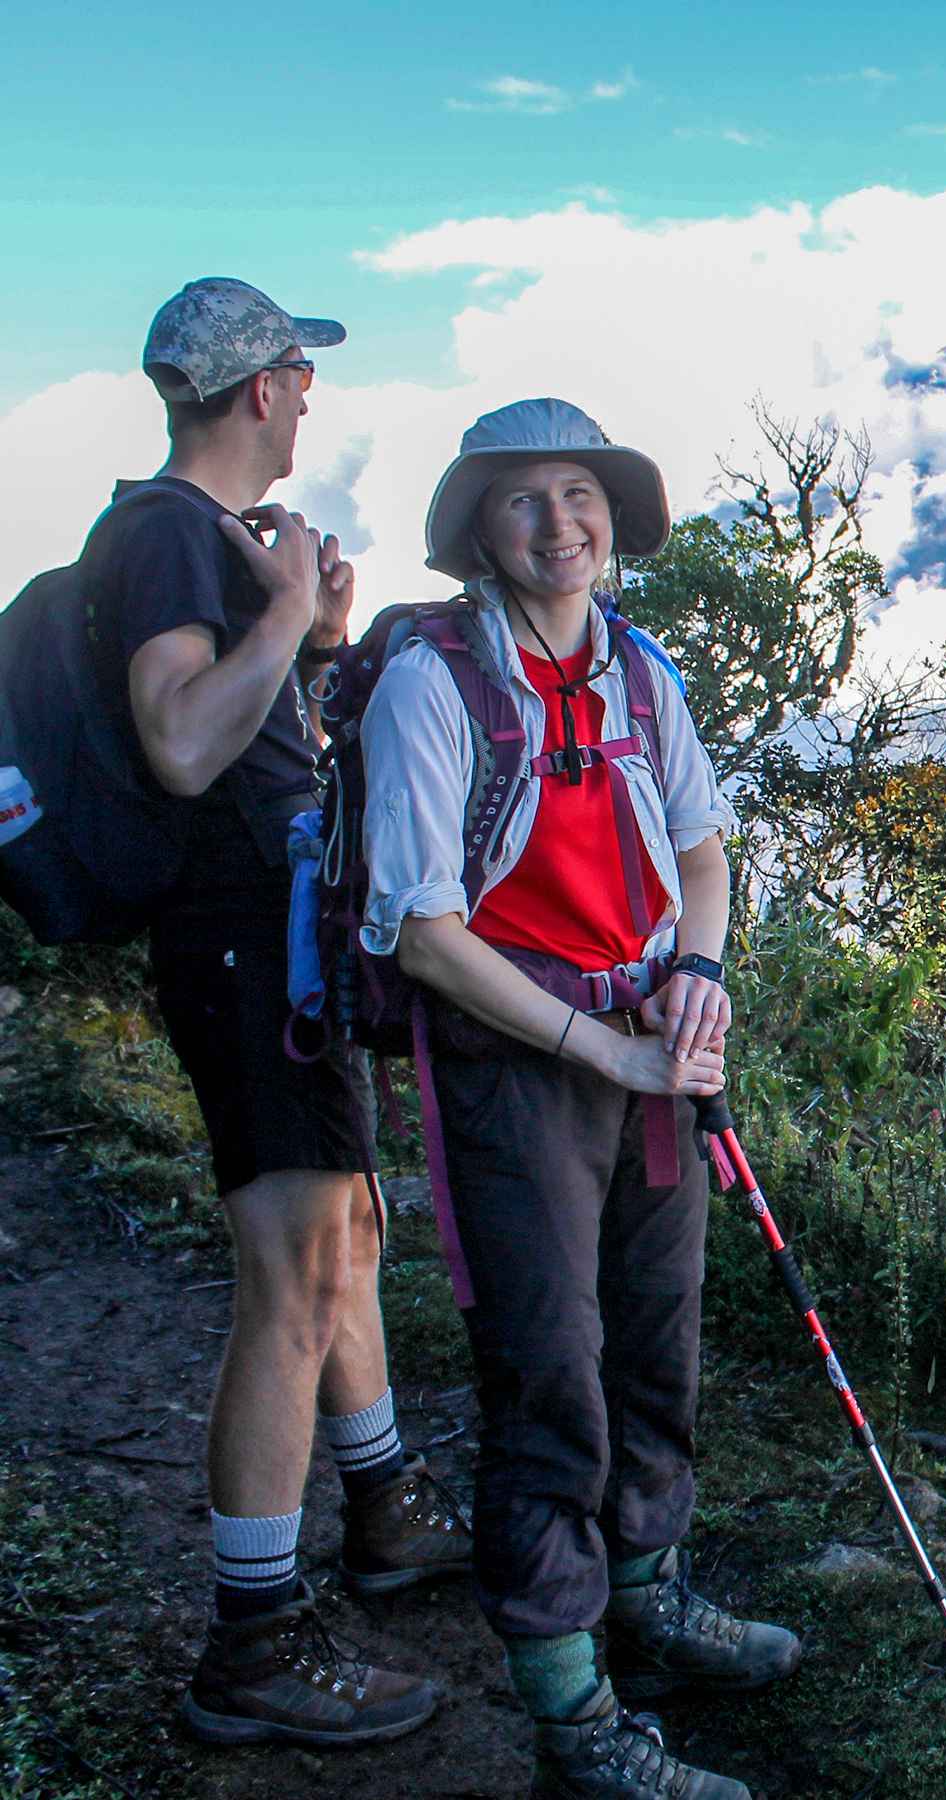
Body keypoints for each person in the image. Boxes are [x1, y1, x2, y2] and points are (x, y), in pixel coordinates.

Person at [362, 398, 798, 1799]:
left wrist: (702, 973)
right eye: (523, 501)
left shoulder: (637, 669)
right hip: (515, 1070)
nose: (561, 526)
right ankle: (573, 1716)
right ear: (478, 535)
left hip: (650, 1051)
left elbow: (704, 846)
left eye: (580, 495)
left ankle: (651, 1599)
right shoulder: (434, 684)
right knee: (550, 1374)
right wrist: (601, 1049)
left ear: (616, 517)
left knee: (655, 1345)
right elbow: (427, 931)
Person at [87, 278, 467, 1748]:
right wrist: (292, 611)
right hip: (243, 949)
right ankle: (251, 1639)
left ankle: (384, 1507)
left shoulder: (200, 542)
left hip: (276, 946)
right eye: (301, 375)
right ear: (258, 391)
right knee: (295, 1272)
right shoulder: (168, 535)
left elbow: (247, 733)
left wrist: (310, 651)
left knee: (345, 1230)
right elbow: (184, 742)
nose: (310, 397)